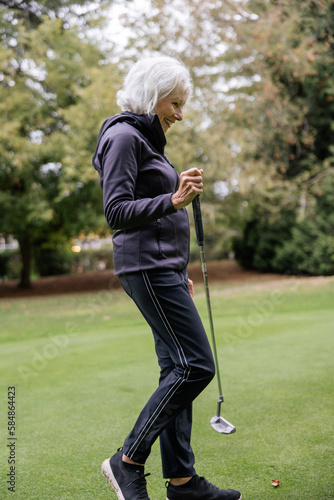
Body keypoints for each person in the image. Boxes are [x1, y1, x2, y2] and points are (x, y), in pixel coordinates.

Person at [92, 55, 242, 500]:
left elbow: (156, 211)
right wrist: (173, 200)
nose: (180, 114)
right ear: (151, 96)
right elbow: (116, 212)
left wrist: (179, 268)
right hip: (145, 268)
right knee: (196, 366)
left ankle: (182, 483)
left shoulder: (147, 141)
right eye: (174, 103)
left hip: (164, 270)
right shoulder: (122, 137)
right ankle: (127, 462)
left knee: (175, 369)